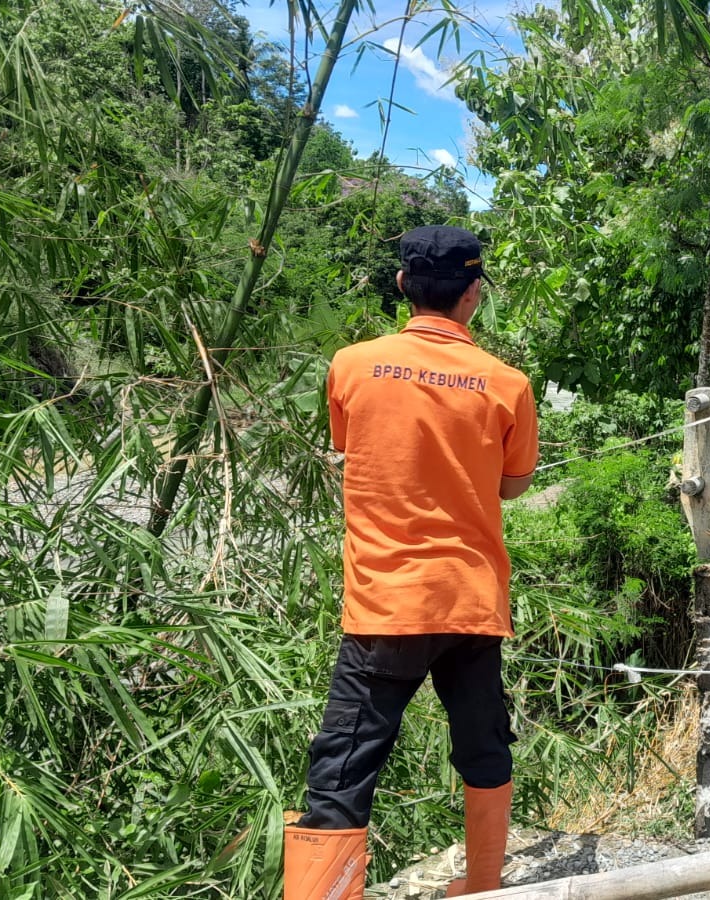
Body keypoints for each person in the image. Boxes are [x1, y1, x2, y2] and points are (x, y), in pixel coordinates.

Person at [283, 226, 539, 900]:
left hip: (385, 604)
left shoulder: (351, 364)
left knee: (342, 769)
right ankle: (482, 885)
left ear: (402, 285)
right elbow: (512, 485)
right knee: (483, 747)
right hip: (470, 601)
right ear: (473, 294)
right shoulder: (507, 383)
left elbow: (349, 443)